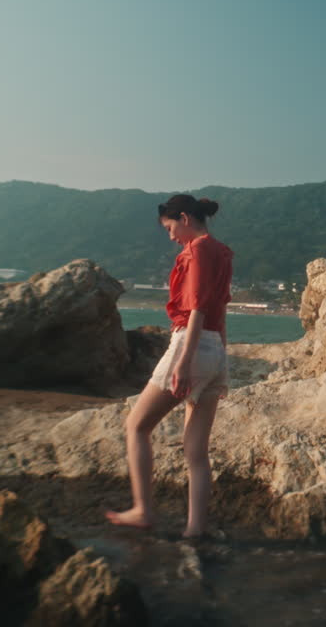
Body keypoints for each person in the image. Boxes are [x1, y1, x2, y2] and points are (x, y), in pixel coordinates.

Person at [105, 194, 233, 539]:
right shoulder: (221, 251)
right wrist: (219, 364)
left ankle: (143, 510)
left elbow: (197, 311)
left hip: (191, 345)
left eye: (171, 227)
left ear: (186, 218)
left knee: (136, 426)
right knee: (196, 452)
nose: (171, 235)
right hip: (216, 348)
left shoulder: (198, 250)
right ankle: (195, 531)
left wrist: (184, 362)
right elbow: (217, 311)